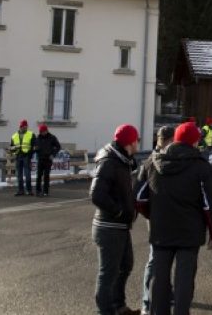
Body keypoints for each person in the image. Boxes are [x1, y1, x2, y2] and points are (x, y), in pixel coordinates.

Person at [147, 122, 212, 315]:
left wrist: (154, 214)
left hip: (161, 230)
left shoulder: (154, 161)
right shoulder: (201, 167)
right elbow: (210, 204)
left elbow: (139, 196)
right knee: (184, 279)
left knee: (159, 276)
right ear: (195, 141)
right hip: (189, 232)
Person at [90, 124, 141, 315]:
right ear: (130, 142)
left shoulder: (123, 160)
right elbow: (96, 195)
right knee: (108, 273)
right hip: (109, 227)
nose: (138, 143)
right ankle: (105, 311)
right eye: (137, 139)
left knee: (126, 266)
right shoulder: (109, 162)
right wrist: (119, 212)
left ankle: (119, 306)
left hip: (120, 226)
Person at [137, 126, 174, 315]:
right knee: (156, 260)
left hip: (157, 217)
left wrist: (149, 213)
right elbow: (140, 195)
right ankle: (147, 301)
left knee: (159, 259)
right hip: (163, 218)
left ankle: (160, 295)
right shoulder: (152, 162)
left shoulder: (150, 160)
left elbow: (140, 196)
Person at [9, 119, 36, 196]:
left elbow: (35, 146)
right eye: (23, 126)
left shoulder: (31, 134)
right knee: (19, 175)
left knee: (27, 174)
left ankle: (29, 190)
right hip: (18, 156)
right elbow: (12, 147)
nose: (25, 128)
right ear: (20, 126)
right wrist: (13, 152)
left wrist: (30, 154)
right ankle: (20, 190)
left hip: (26, 156)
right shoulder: (14, 136)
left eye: (26, 126)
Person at [35, 123, 61, 196]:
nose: (42, 133)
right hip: (40, 158)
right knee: (39, 175)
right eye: (41, 132)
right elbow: (35, 147)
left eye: (43, 131)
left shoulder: (52, 138)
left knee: (46, 175)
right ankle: (38, 190)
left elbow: (58, 147)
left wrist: (53, 154)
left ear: (46, 131)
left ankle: (45, 191)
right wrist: (36, 149)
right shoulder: (38, 138)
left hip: (48, 159)